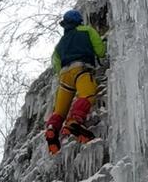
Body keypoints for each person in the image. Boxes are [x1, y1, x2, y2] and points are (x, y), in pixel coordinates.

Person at [44, 9, 106, 154]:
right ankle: (75, 121)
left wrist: (64, 72)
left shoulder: (60, 44)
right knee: (88, 95)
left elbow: (55, 63)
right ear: (79, 21)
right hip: (81, 69)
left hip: (64, 75)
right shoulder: (87, 31)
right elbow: (100, 50)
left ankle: (52, 129)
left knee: (60, 110)